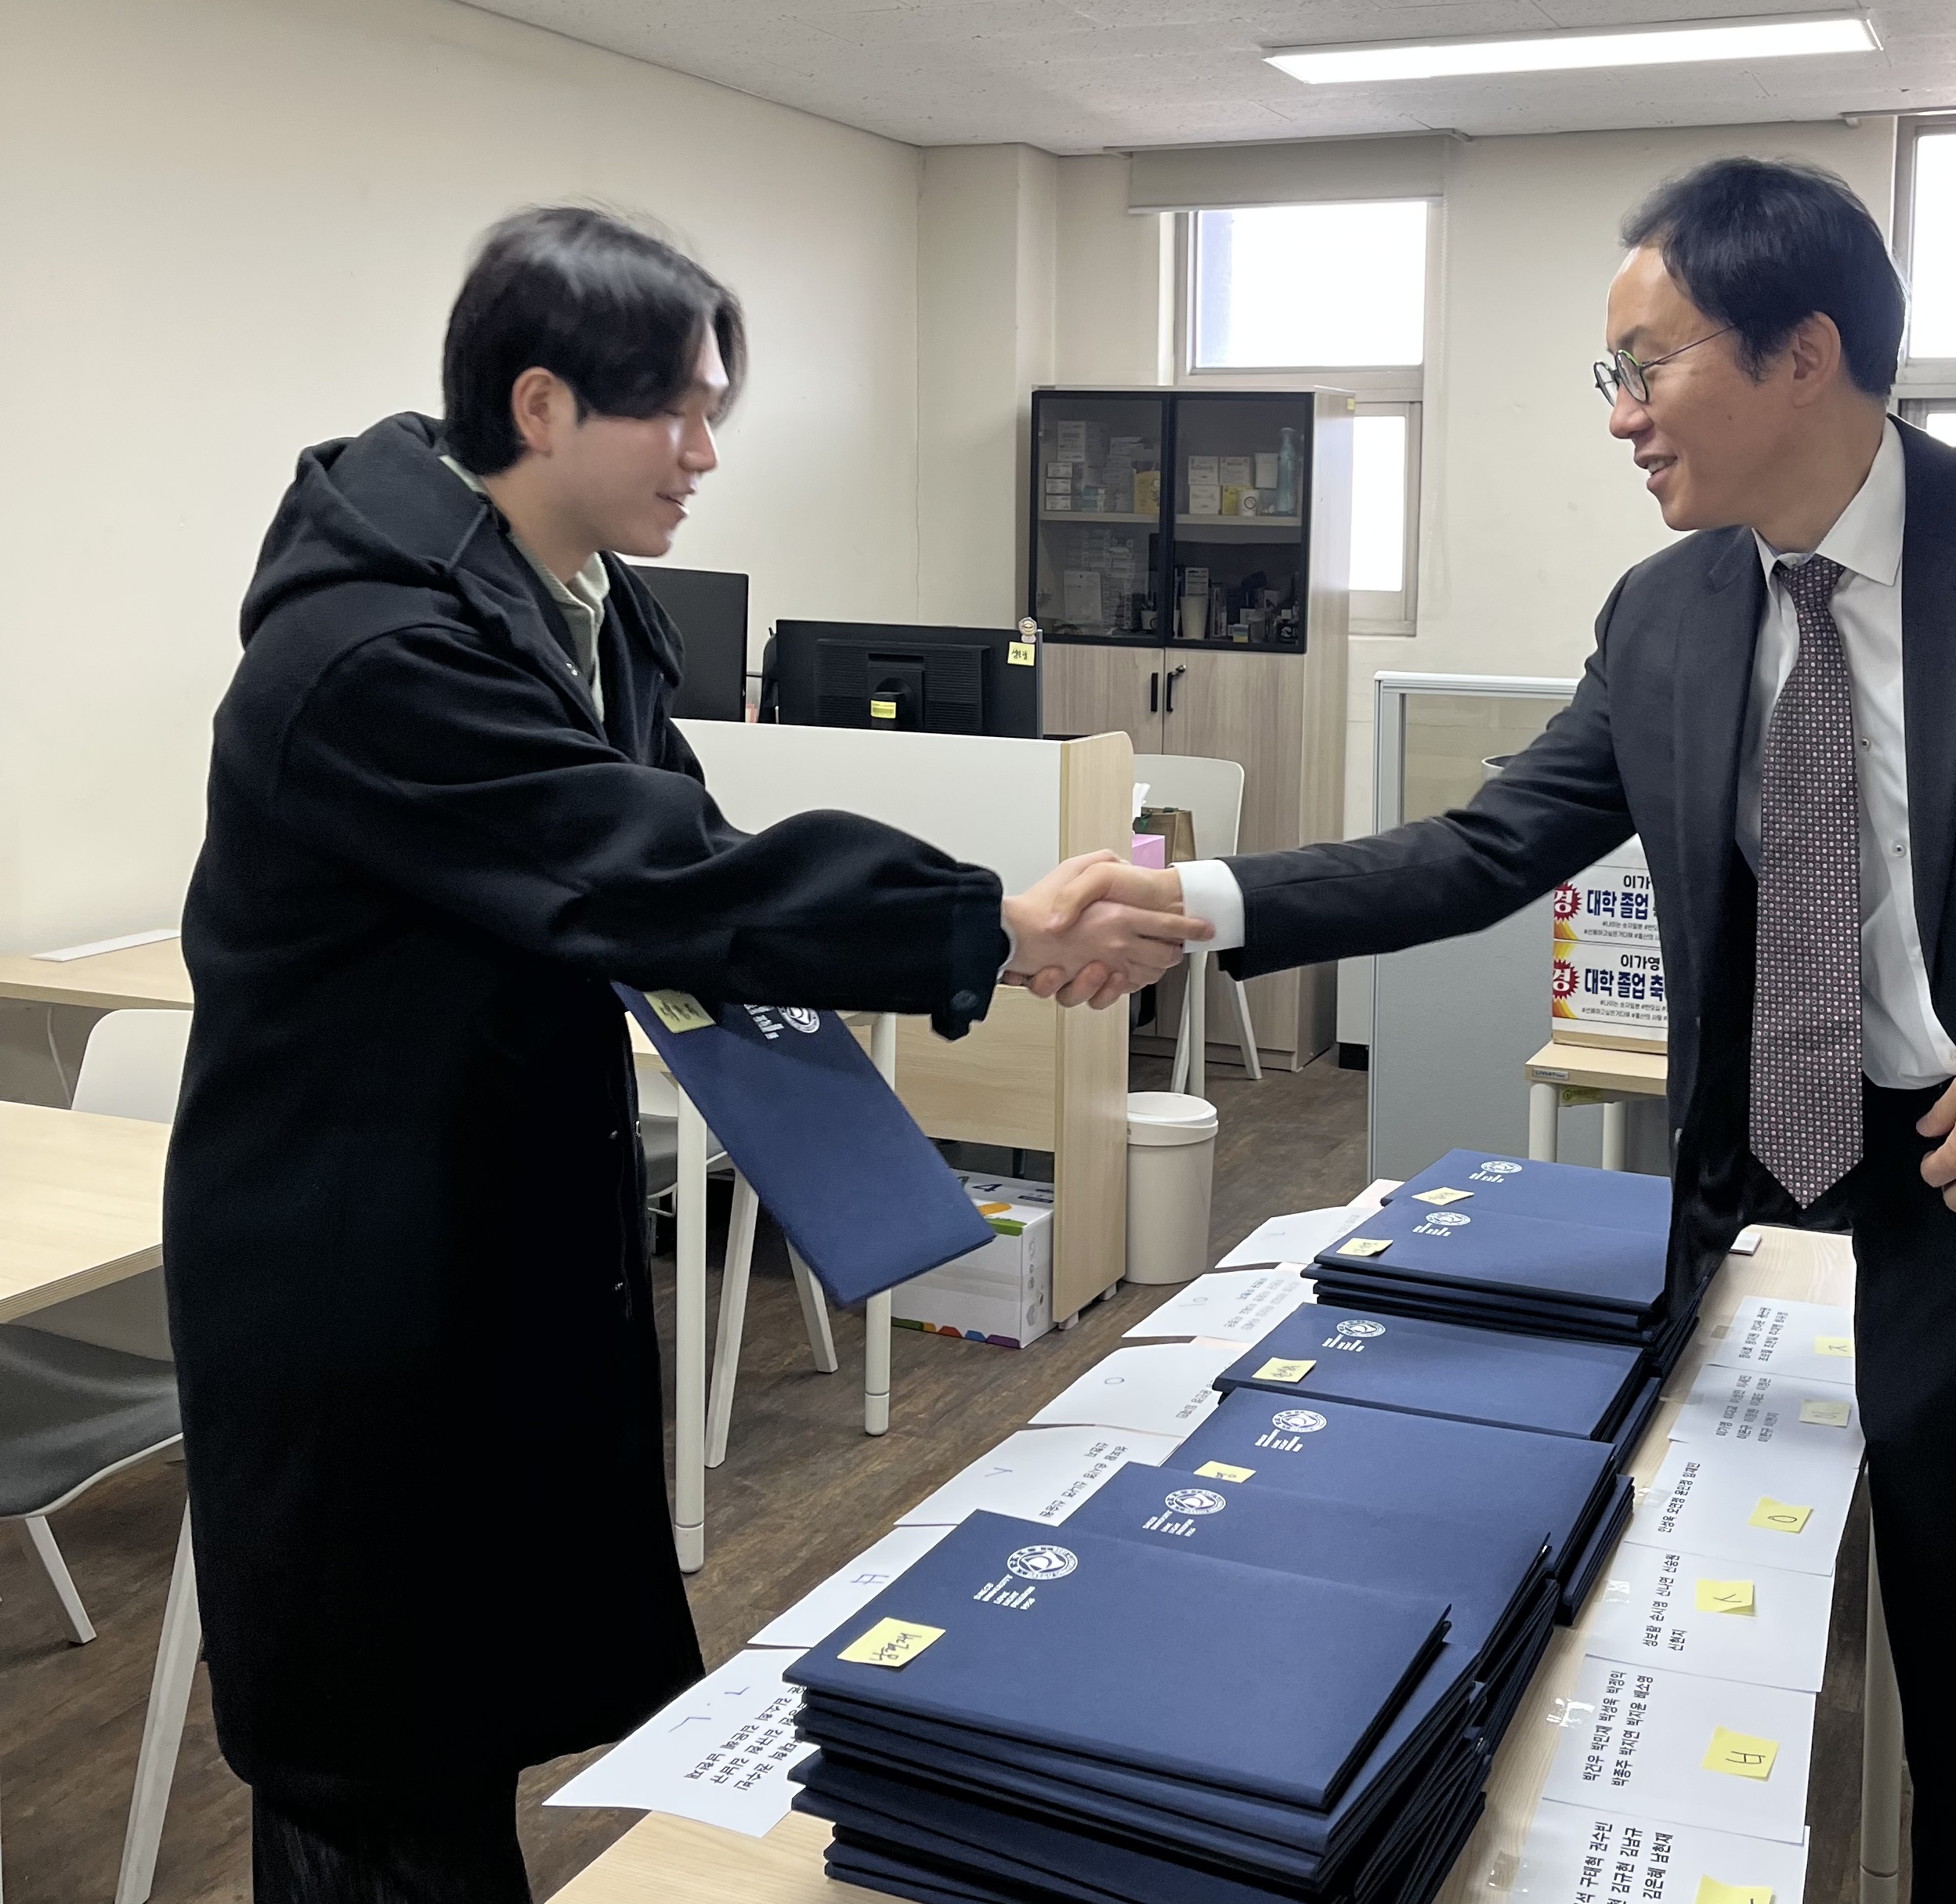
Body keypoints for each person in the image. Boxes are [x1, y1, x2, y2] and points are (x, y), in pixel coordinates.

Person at [1032, 159, 1956, 1902]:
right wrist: (1195, 905)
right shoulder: (1668, 615)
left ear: (1803, 352)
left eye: (1644, 366)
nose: (1620, 416)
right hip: (1921, 1222)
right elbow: (1488, 845)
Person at [167, 206, 1202, 1902]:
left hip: (493, 1229)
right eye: (677, 411)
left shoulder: (590, 607)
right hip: (351, 1271)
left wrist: (971, 933)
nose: (708, 453)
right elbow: (655, 876)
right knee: (374, 1765)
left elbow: (684, 873)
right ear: (543, 404)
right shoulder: (368, 655)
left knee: (471, 1694)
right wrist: (992, 926)